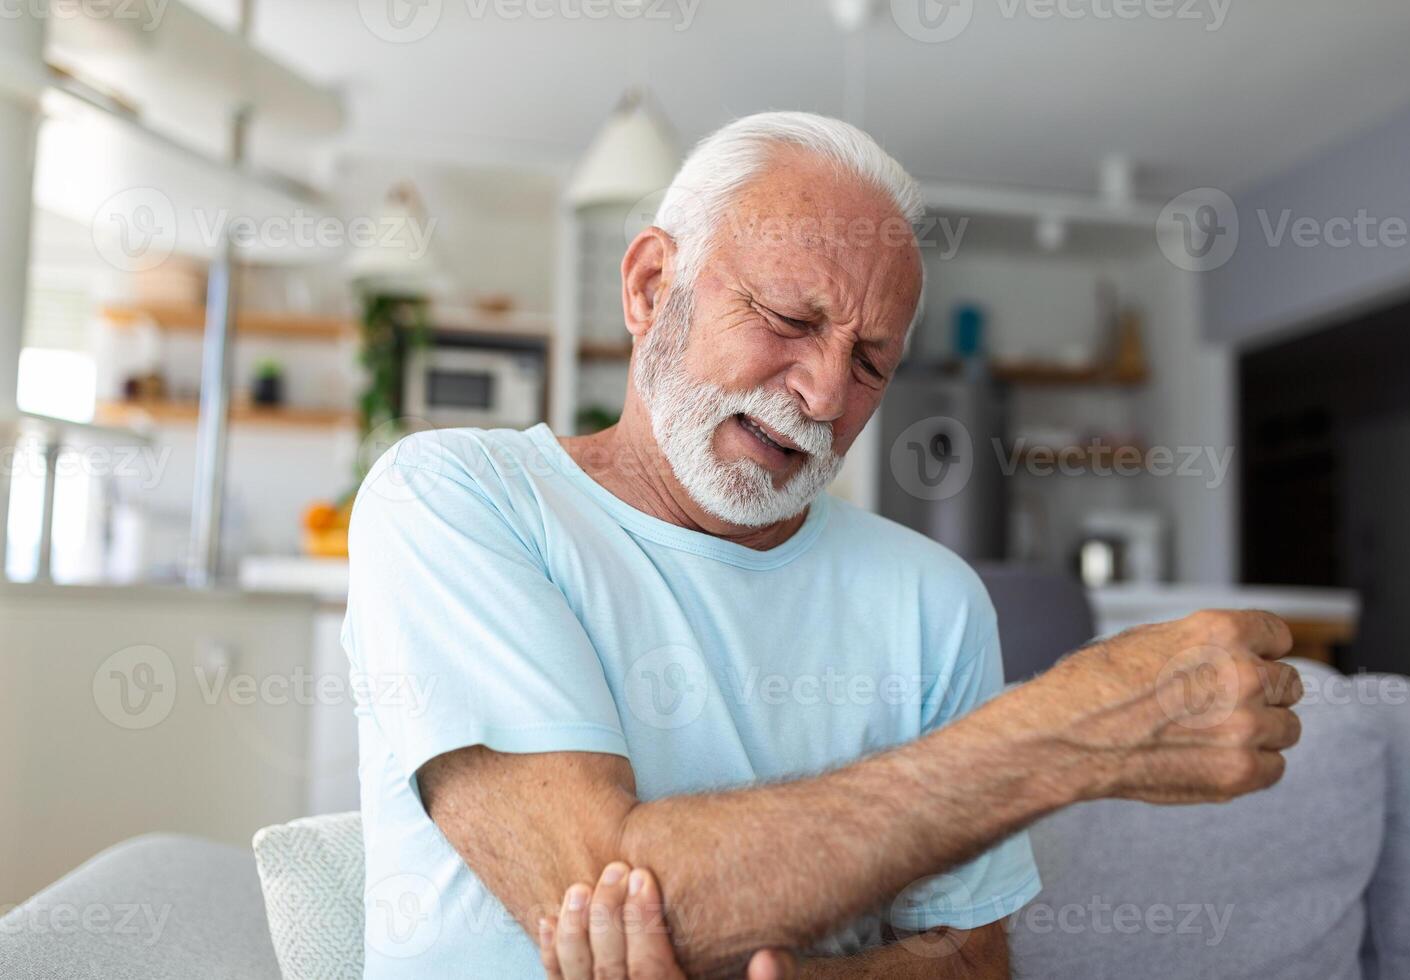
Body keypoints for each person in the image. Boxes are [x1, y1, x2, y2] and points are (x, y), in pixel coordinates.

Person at [343, 111, 1303, 979]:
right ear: (649, 287)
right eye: (790, 320)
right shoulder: (453, 498)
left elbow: (972, 960)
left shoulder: (933, 596)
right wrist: (1069, 733)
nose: (823, 396)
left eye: (872, 361)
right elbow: (592, 890)